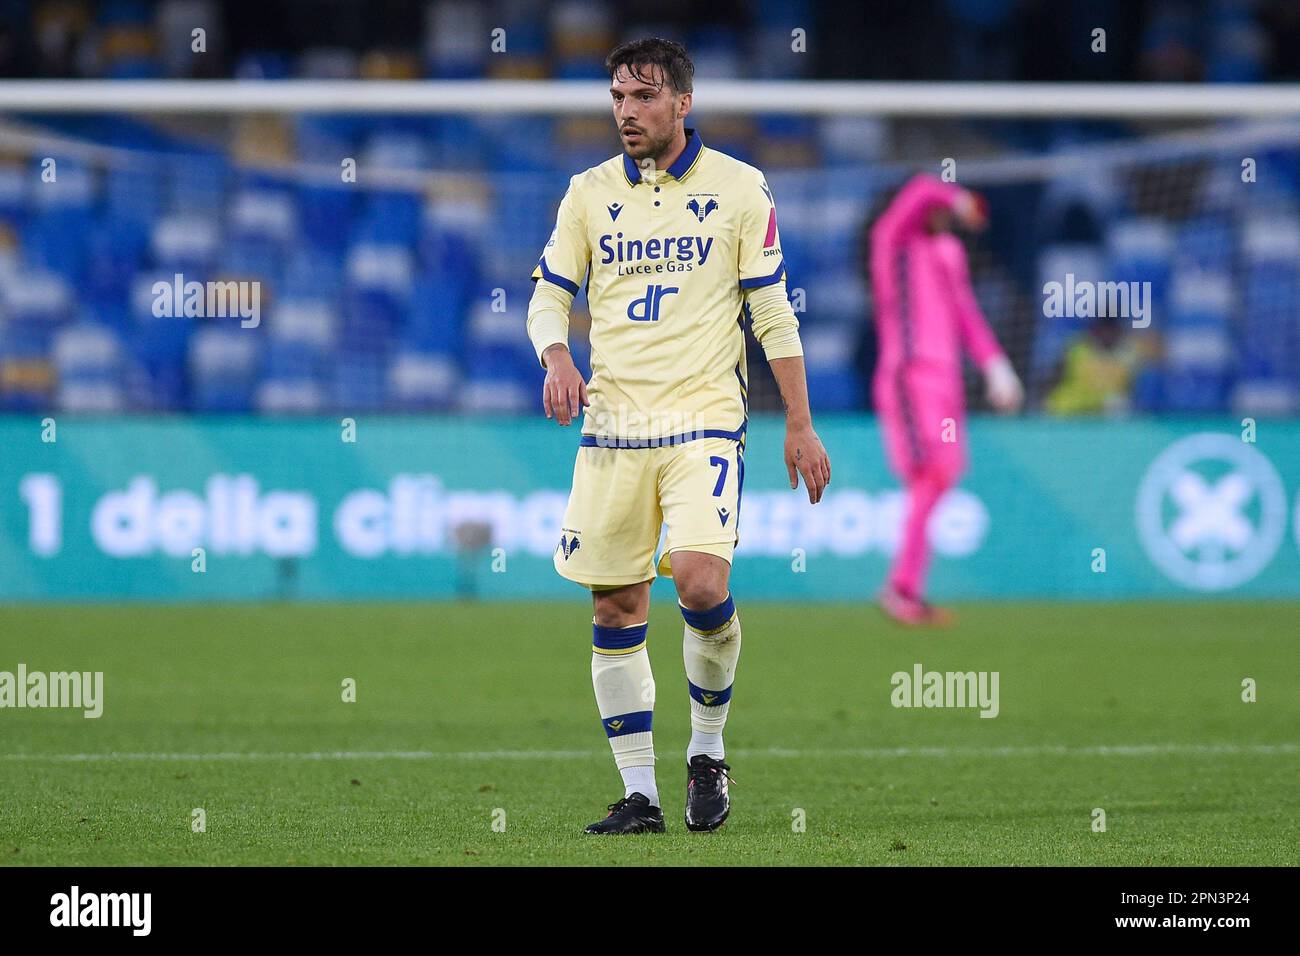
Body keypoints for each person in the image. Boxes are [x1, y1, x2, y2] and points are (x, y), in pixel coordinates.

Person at [526, 37, 831, 834]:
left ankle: (706, 750)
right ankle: (641, 796)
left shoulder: (740, 188)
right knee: (618, 606)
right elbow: (548, 297)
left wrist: (798, 421)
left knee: (698, 580)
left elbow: (771, 311)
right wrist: (556, 353)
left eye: (644, 96)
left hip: (704, 422)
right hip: (614, 427)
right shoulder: (587, 194)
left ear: (682, 102)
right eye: (618, 97)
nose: (627, 112)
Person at [868, 173, 1022, 626]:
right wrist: (959, 198)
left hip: (946, 384)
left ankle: (905, 589)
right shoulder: (894, 243)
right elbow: (917, 191)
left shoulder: (948, 254)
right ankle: (902, 589)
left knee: (943, 475)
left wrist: (996, 366)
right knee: (931, 473)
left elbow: (965, 315)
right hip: (910, 375)